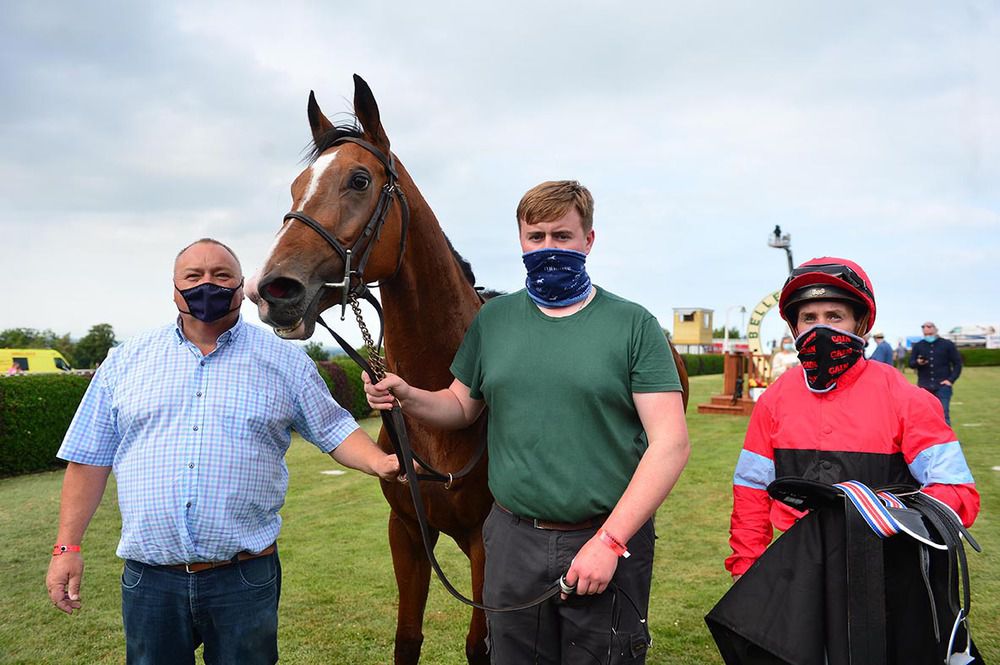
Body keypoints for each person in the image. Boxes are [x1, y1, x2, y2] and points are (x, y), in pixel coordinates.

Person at [365, 180, 690, 664]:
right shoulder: (493, 322)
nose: (548, 249)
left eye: (562, 236)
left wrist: (610, 541)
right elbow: (459, 407)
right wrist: (408, 396)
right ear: (520, 241)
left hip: (603, 536)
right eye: (535, 237)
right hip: (513, 540)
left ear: (588, 241)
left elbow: (670, 444)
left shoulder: (632, 325)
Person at [45, 238, 400, 665]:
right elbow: (88, 459)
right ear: (173, 288)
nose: (207, 284)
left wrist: (380, 461)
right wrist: (67, 548)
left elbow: (335, 428)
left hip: (243, 579)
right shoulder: (125, 362)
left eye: (222, 275)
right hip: (151, 581)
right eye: (193, 276)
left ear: (241, 286)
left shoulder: (284, 362)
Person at [718, 257, 979, 661]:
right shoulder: (773, 400)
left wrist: (887, 511)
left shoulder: (907, 399)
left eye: (835, 315)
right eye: (809, 317)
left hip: (886, 577)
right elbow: (751, 491)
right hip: (796, 575)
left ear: (860, 324)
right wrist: (746, 569)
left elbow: (960, 493)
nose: (821, 327)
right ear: (794, 327)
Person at [909, 321, 962, 425]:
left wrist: (951, 380)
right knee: (925, 416)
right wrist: (918, 362)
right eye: (924, 329)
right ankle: (930, 441)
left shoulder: (947, 344)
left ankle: (948, 441)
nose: (927, 331)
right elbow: (911, 363)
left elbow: (957, 364)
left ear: (935, 329)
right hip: (925, 386)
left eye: (929, 328)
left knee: (944, 414)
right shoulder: (918, 346)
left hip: (942, 386)